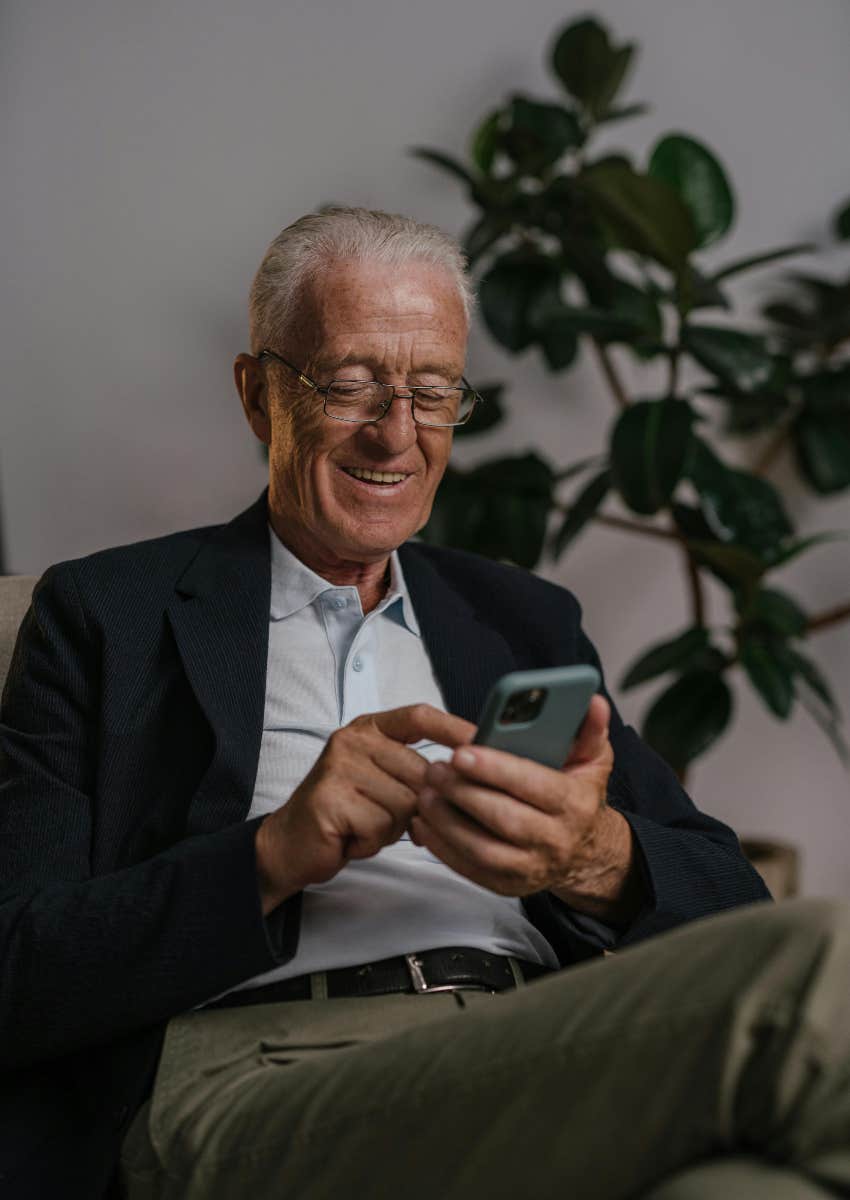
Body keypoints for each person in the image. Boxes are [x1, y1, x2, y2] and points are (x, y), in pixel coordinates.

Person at [0, 207, 847, 1200]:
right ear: (257, 394)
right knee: (825, 959)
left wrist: (589, 857)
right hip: (264, 1071)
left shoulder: (520, 618)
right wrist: (270, 856)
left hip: (544, 1041)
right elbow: (19, 966)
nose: (396, 435)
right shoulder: (108, 614)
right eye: (351, 384)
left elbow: (729, 901)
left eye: (433, 392)